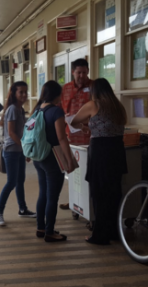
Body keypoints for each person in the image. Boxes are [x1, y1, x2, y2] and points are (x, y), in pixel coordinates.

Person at [71, 78, 127, 245]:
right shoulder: (118, 106)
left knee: (99, 193)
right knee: (114, 192)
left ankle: (100, 235)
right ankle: (114, 231)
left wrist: (86, 126)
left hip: (100, 151)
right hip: (117, 150)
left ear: (94, 91)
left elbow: (73, 121)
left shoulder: (93, 105)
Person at [32, 80, 77, 242]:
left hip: (39, 158)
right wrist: (69, 161)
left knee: (43, 194)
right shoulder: (56, 112)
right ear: (57, 94)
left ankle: (41, 227)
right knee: (52, 197)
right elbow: (61, 138)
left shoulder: (37, 109)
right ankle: (50, 232)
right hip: (53, 160)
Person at [0, 81, 36, 226]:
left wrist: (25, 151)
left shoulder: (19, 109)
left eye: (26, 92)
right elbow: (11, 132)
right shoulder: (12, 109)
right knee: (11, 182)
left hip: (19, 151)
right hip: (11, 151)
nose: (24, 95)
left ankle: (23, 209)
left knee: (20, 181)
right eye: (21, 92)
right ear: (14, 93)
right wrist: (26, 148)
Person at [59, 58, 93, 211]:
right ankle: (73, 200)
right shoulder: (65, 89)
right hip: (70, 136)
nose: (81, 76)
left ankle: (87, 203)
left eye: (84, 73)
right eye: (78, 73)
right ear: (73, 72)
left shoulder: (94, 87)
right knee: (72, 170)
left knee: (88, 172)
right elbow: (60, 108)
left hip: (89, 136)